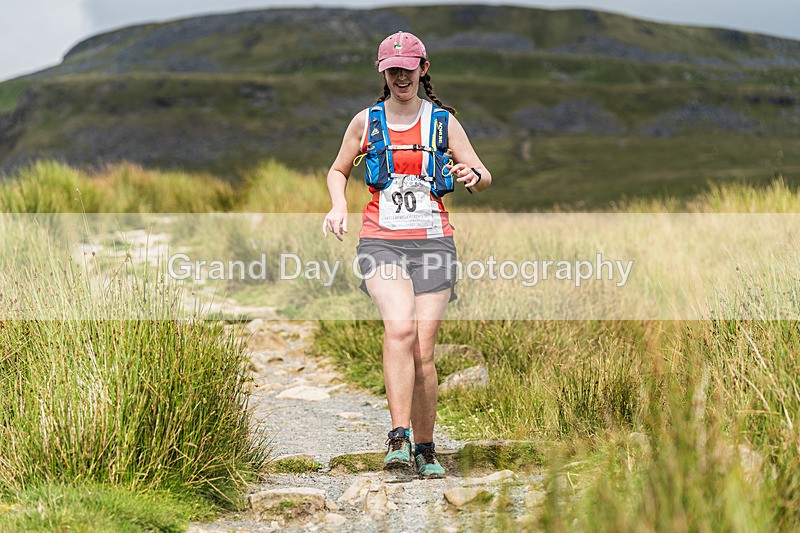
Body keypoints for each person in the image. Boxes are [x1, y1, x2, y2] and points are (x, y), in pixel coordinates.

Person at [322, 30, 491, 479]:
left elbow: (483, 173)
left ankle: (426, 447)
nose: (401, 76)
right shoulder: (366, 121)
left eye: (408, 68)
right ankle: (397, 438)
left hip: (434, 241)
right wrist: (339, 204)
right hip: (380, 239)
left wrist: (471, 175)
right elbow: (338, 170)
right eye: (392, 70)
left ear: (423, 69)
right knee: (399, 327)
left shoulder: (443, 122)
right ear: (383, 73)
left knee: (423, 349)